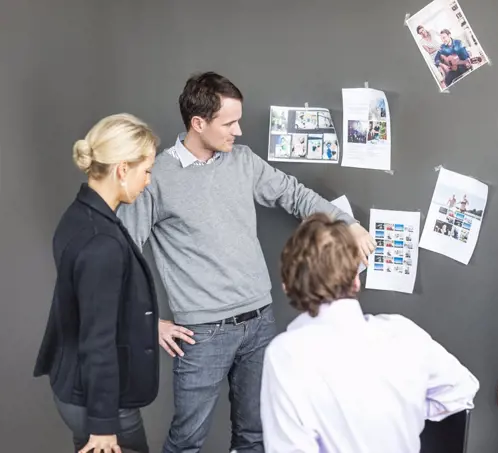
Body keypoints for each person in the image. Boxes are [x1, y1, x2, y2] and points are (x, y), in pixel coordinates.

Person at [116, 72, 375, 453]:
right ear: (198, 123)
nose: (238, 130)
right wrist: (147, 322)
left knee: (255, 436)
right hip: (202, 334)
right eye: (229, 123)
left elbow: (295, 195)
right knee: (187, 441)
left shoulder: (243, 161)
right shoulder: (156, 176)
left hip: (260, 324)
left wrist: (348, 225)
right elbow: (121, 255)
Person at [261, 213, 479, 453]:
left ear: (287, 285)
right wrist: (405, 410)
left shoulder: (286, 355)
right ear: (356, 279)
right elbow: (461, 391)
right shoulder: (404, 333)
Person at [33, 114, 160, 453]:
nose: (148, 181)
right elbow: (97, 337)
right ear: (122, 169)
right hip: (102, 405)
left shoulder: (79, 215)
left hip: (77, 387)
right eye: (146, 171)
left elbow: (88, 307)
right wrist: (104, 427)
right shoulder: (100, 241)